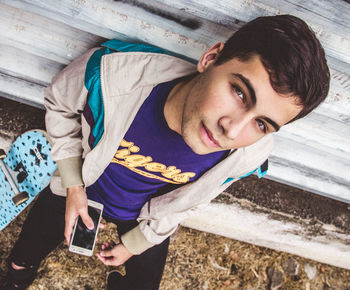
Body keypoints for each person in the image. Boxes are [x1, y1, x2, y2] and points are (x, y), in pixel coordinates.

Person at [3, 14, 329, 289]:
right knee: (27, 248)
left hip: (141, 216)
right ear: (211, 58)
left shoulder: (247, 154)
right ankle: (18, 275)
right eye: (240, 93)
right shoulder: (112, 75)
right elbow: (60, 105)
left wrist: (135, 243)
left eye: (262, 123)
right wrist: (73, 185)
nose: (232, 130)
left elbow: (189, 201)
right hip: (79, 188)